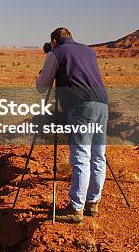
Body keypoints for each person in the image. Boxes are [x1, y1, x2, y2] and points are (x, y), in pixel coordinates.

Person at [36, 27, 109, 224]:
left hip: (80, 108)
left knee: (80, 158)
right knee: (98, 155)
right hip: (102, 105)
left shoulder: (55, 53)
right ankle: (92, 203)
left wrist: (44, 70)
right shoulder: (88, 50)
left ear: (53, 41)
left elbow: (42, 86)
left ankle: (76, 208)